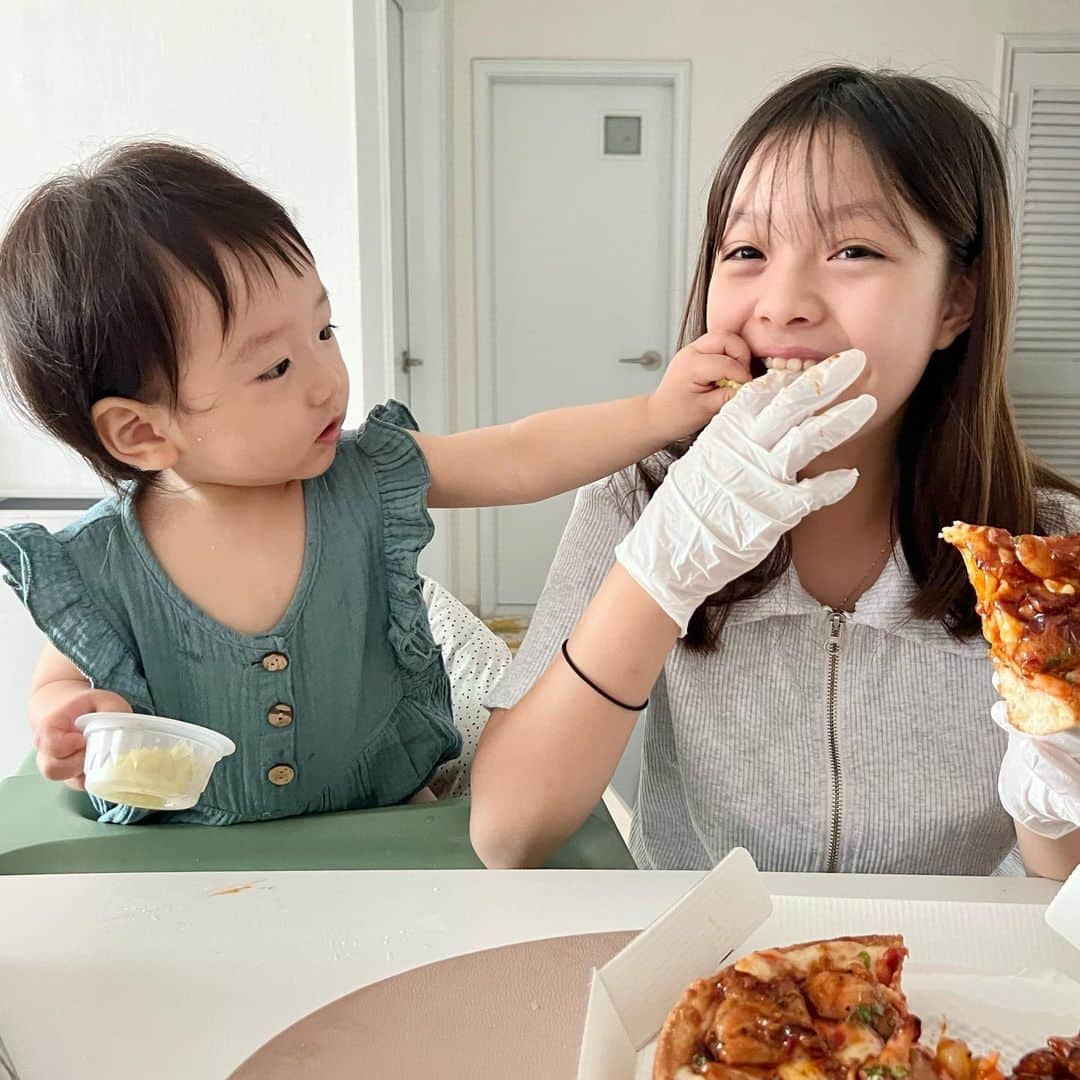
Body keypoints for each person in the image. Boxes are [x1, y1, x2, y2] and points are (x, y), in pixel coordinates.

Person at [0, 141, 743, 825]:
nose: (328, 383)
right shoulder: (97, 568)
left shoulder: (368, 475)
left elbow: (518, 456)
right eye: (276, 368)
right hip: (197, 862)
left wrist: (655, 413)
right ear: (143, 431)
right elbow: (60, 684)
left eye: (324, 332)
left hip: (391, 826)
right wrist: (66, 717)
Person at [470, 65, 1080, 880]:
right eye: (747, 250)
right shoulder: (638, 494)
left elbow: (1058, 882)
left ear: (953, 305)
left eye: (853, 250)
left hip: (945, 980)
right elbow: (508, 832)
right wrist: (662, 565)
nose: (783, 301)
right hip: (709, 973)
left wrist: (1054, 775)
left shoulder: (1043, 551)